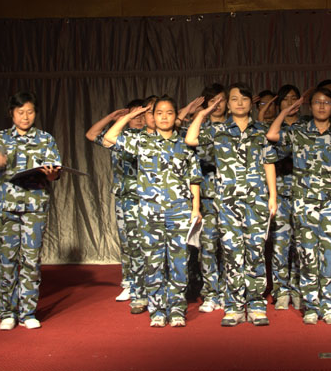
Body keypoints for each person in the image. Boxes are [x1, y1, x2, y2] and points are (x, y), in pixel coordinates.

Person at [104, 96, 202, 328]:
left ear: (175, 116)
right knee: (153, 262)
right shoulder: (142, 141)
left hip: (179, 211)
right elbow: (110, 138)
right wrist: (130, 115)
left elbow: (194, 179)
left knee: (179, 263)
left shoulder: (185, 143)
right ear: (153, 117)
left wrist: (196, 208)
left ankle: (176, 309)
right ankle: (157, 310)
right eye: (159, 113)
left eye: (169, 112)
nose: (164, 117)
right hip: (150, 212)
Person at [186, 82, 278, 327]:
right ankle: (234, 306)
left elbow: (269, 162)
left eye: (244, 99)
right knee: (231, 253)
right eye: (234, 99)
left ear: (251, 103)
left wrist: (273, 196)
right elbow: (191, 139)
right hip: (227, 202)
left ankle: (256, 305)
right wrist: (203, 113)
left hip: (256, 201)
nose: (239, 103)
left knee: (256, 252)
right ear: (227, 103)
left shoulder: (261, 130)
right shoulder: (217, 130)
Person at [0, 91, 61, 331]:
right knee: (7, 260)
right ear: (11, 113)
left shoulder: (45, 139)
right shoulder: (0, 138)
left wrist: (52, 174)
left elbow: (55, 172)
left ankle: (28, 312)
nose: (25, 117)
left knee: (31, 260)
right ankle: (7, 312)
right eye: (20, 112)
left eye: (30, 112)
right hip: (6, 208)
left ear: (36, 113)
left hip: (34, 207)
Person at [268, 87, 331, 325]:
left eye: (326, 102)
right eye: (317, 102)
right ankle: (311, 306)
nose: (322, 106)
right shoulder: (298, 131)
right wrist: (285, 111)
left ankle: (328, 307)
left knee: (329, 257)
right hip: (304, 204)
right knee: (307, 256)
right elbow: (272, 135)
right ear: (310, 106)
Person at [85, 100, 148, 314]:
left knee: (147, 242)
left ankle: (148, 284)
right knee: (127, 242)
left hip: (147, 196)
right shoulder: (117, 136)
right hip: (124, 197)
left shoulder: (149, 137)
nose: (138, 119)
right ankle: (130, 282)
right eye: (134, 116)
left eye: (142, 115)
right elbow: (91, 134)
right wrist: (112, 118)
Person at [266, 84, 302, 311]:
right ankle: (281, 290)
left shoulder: (306, 127)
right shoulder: (272, 127)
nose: (290, 102)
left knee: (301, 245)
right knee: (280, 244)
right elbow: (271, 145)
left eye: (294, 98)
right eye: (286, 99)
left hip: (303, 194)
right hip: (279, 194)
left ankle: (297, 289)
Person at [192, 84, 228, 313]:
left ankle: (227, 291)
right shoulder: (200, 130)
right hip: (207, 198)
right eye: (212, 100)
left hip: (232, 198)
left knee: (231, 247)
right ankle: (211, 293)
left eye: (221, 100)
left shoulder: (236, 128)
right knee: (208, 247)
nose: (217, 105)